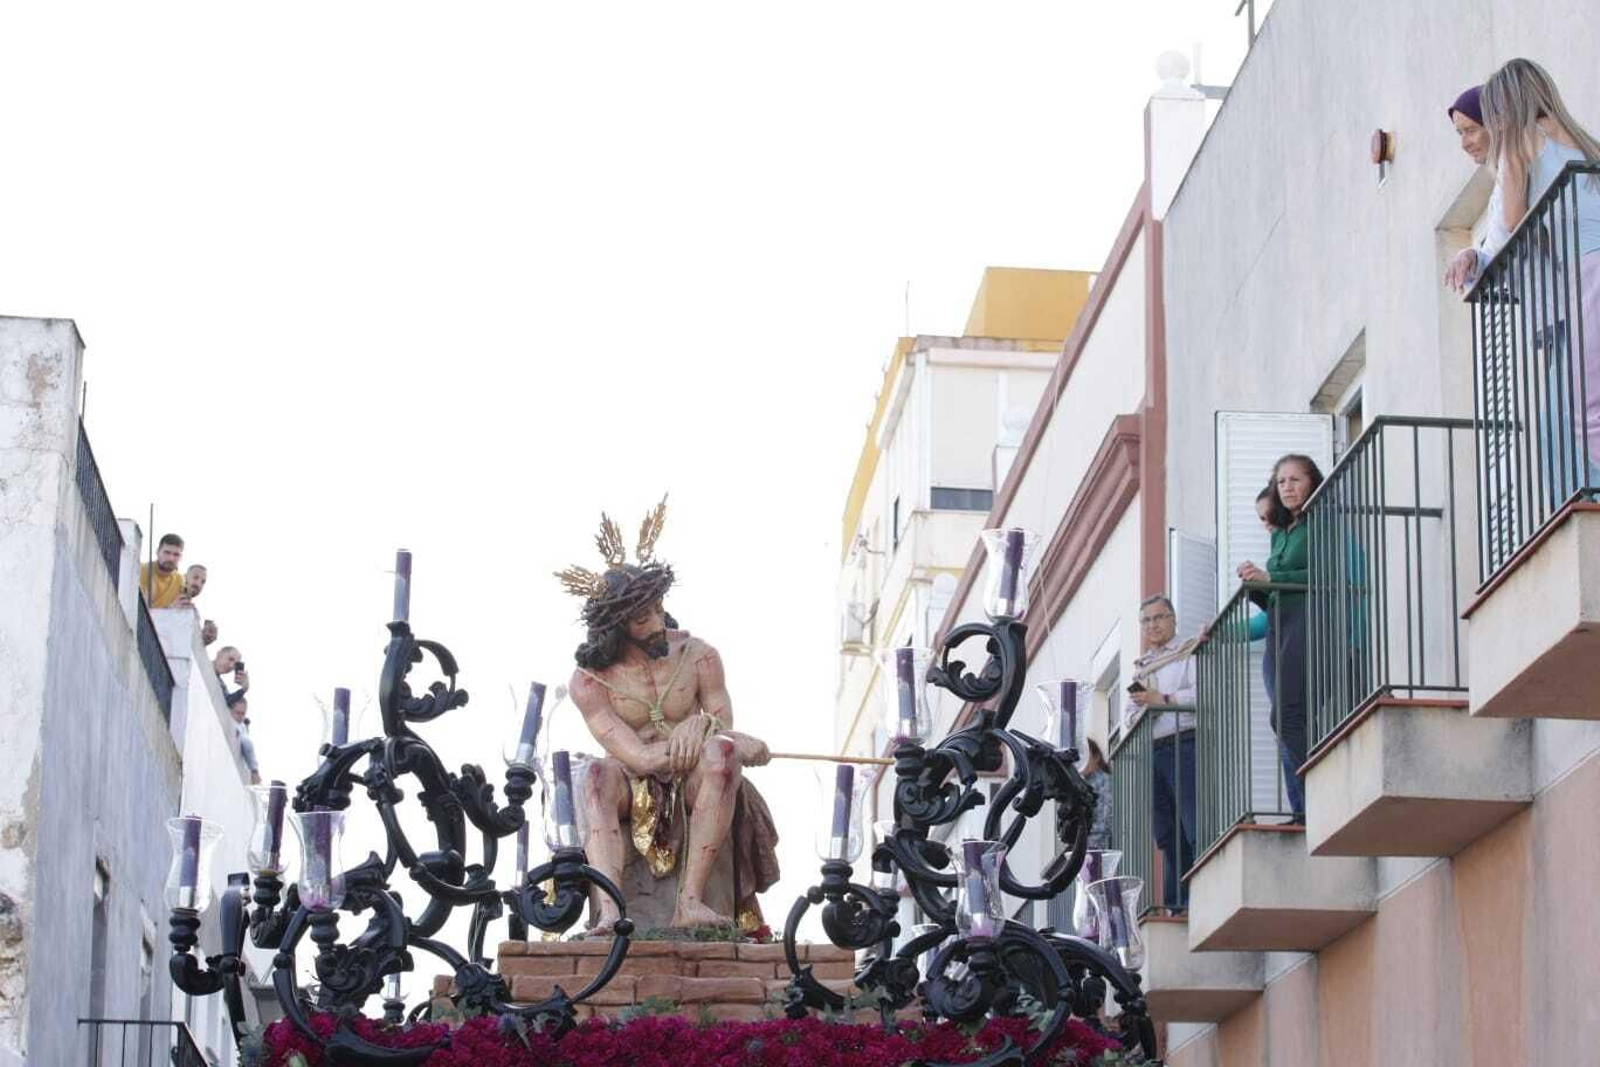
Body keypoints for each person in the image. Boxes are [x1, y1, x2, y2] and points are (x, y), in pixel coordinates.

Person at [560, 500, 778, 933]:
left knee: (720, 757)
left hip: (694, 781)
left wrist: (707, 729)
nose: (658, 623)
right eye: (643, 619)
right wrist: (688, 740)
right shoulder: (589, 682)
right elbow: (637, 758)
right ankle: (609, 912)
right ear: (617, 626)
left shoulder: (700, 655)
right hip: (628, 779)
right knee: (596, 776)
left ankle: (691, 902)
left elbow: (721, 720)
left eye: (659, 609)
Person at [1481, 58, 1600, 491]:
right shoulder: (1583, 141)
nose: (1493, 124)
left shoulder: (1521, 144)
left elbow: (1510, 222)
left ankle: (1591, 505)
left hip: (1589, 274)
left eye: (1494, 112)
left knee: (1582, 409)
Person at [1237, 454, 1323, 823]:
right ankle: (1303, 805)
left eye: (1295, 479)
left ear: (1311, 481)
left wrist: (1270, 581)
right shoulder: (1284, 534)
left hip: (1306, 625)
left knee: (1287, 716)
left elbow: (1325, 573)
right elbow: (1274, 599)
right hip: (1280, 629)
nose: (1287, 487)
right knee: (1284, 720)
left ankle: (1314, 798)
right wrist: (1255, 586)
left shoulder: (1320, 521)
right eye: (1281, 481)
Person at [1125, 594, 1198, 910]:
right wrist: (1142, 709)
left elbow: (1202, 696)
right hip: (1152, 752)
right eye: (1146, 620)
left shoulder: (1189, 653)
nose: (1153, 625)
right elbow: (1127, 720)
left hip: (1184, 742)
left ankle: (1201, 895)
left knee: (1192, 824)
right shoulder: (1140, 668)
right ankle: (1177, 904)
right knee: (1166, 833)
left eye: (1159, 617)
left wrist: (1162, 699)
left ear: (1173, 620)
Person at [1444, 86, 1513, 293]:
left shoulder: (1514, 171)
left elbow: (1499, 247)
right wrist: (1472, 256)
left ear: (1496, 125)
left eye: (1471, 130)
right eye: (1460, 133)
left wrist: (1474, 257)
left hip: (1557, 305)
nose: (1464, 144)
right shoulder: (1502, 179)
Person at [1081, 738, 1113, 851]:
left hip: (1098, 844)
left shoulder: (1104, 780)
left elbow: (1105, 820)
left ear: (1096, 757)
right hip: (1087, 843)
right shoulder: (1083, 781)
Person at [138, 533, 186, 608]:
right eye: (167, 552)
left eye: (176, 554)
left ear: (181, 557)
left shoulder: (179, 580)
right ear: (157, 552)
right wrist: (169, 608)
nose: (171, 558)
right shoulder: (140, 570)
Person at [228, 692, 261, 785]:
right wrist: (254, 770)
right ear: (230, 710)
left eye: (243, 714)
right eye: (237, 713)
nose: (240, 717)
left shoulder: (241, 725)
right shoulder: (233, 724)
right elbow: (247, 743)